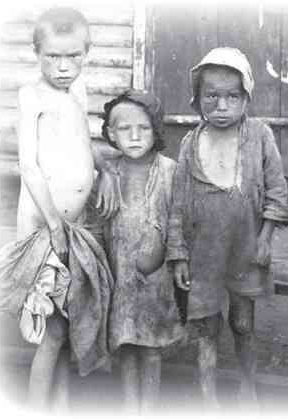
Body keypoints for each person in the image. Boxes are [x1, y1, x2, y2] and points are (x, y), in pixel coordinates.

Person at [0, 6, 120, 411]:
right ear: (36, 53)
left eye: (73, 56)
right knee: (52, 329)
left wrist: (105, 170)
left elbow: (82, 141)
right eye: (52, 57)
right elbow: (29, 166)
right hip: (44, 228)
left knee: (66, 321)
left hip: (75, 225)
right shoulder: (31, 97)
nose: (63, 67)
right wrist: (53, 225)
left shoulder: (76, 91)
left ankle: (60, 408)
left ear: (87, 53)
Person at [166, 47, 288, 408]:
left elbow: (277, 192)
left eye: (232, 97)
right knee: (205, 328)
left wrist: (265, 239)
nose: (222, 106)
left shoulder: (260, 136)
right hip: (202, 251)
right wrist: (179, 255)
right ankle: (208, 399)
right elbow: (178, 204)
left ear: (246, 97)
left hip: (245, 248)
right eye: (212, 96)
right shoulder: (190, 143)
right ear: (197, 98)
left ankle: (247, 386)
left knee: (243, 323)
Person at [95, 90, 185, 414]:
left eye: (144, 128)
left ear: (156, 129)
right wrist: (99, 268)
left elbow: (178, 219)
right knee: (126, 344)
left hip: (156, 280)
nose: (134, 136)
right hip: (119, 275)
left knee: (151, 347)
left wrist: (177, 258)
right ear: (110, 133)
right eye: (124, 129)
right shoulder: (108, 174)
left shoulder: (170, 170)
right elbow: (96, 224)